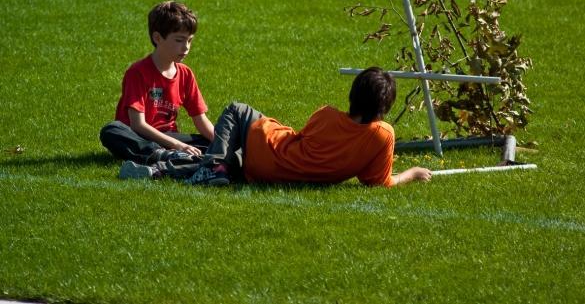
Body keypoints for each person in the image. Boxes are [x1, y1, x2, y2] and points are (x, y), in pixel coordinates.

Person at [119, 67, 433, 187]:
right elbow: (378, 182)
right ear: (384, 108)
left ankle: (210, 165)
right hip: (275, 172)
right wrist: (412, 173)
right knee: (233, 160)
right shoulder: (382, 135)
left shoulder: (326, 115)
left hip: (267, 151)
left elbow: (302, 138)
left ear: (353, 95)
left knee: (238, 110)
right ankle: (163, 170)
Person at [100, 1, 219, 178]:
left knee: (210, 143)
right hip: (139, 137)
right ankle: (164, 156)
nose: (186, 47)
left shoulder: (185, 74)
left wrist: (223, 144)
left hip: (169, 137)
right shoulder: (138, 72)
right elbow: (138, 124)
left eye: (189, 41)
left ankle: (178, 159)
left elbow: (201, 120)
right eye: (179, 40)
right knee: (111, 131)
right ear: (157, 38)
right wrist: (177, 146)